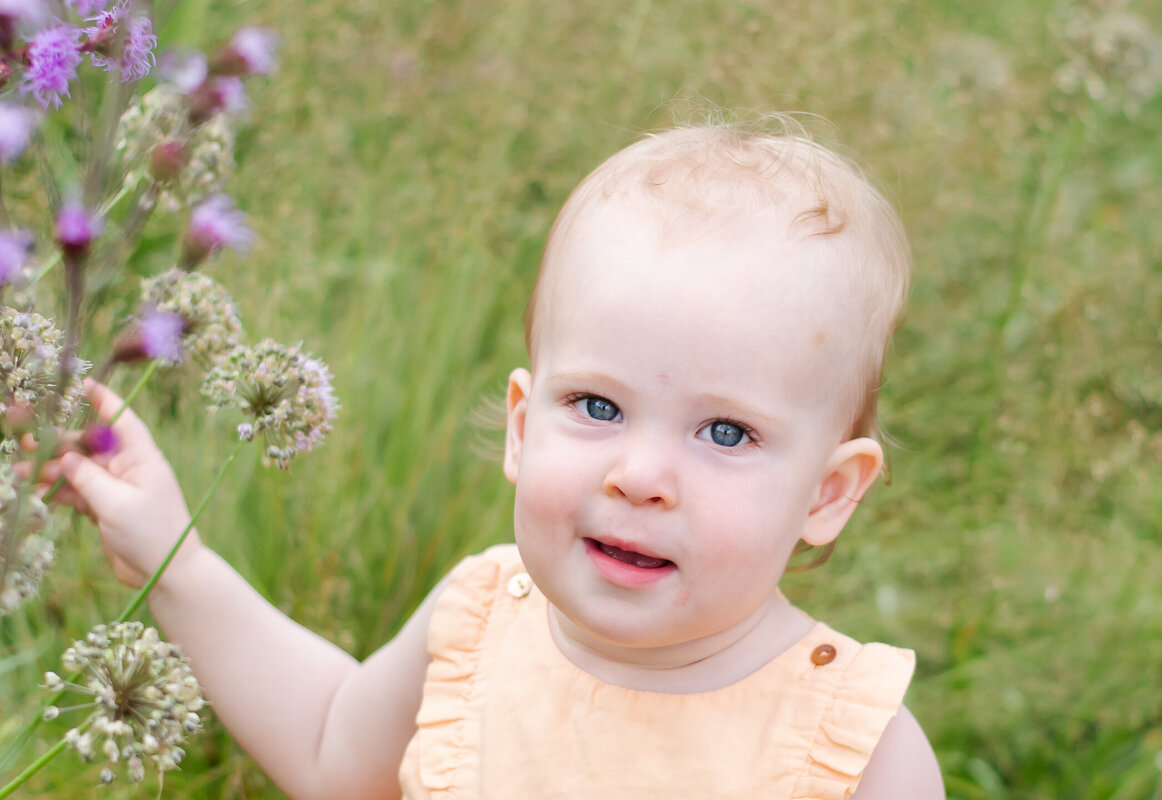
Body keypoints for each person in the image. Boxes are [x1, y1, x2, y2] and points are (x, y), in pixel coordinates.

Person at [42, 119, 945, 799]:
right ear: (522, 427)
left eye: (725, 434)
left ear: (826, 494)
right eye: (597, 406)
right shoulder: (480, 621)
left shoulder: (859, 752)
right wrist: (178, 563)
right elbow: (330, 747)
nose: (639, 476)